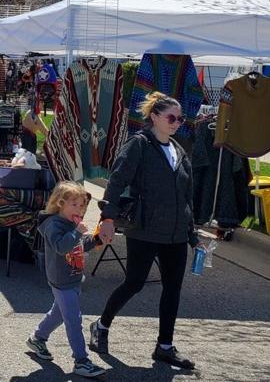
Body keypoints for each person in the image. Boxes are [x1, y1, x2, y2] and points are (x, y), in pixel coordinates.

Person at [91, 91, 198, 370]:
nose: (176, 123)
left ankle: (164, 346)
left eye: (180, 118)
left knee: (173, 288)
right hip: (145, 229)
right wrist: (108, 218)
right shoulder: (139, 144)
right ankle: (101, 326)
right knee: (134, 283)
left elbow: (187, 194)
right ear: (154, 117)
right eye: (171, 117)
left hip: (175, 233)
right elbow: (117, 181)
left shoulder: (179, 150)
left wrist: (192, 231)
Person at [27, 181, 107, 379]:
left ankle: (37, 338)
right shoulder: (54, 224)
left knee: (58, 314)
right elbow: (62, 246)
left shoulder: (72, 224)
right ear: (60, 203)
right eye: (74, 204)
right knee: (73, 319)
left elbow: (79, 244)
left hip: (72, 277)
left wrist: (96, 239)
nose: (79, 209)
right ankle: (81, 360)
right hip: (61, 279)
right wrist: (77, 231)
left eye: (82, 205)